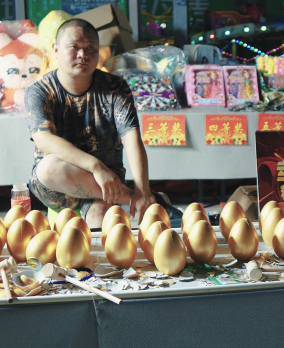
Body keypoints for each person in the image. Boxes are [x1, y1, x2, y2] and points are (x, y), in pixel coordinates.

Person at [24, 18, 178, 228]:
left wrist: (144, 190)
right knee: (48, 168)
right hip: (59, 185)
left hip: (108, 181)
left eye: (90, 48)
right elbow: (44, 140)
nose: (83, 55)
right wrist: (95, 167)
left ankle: (139, 198)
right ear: (56, 49)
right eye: (74, 47)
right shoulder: (39, 91)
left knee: (101, 221)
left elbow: (132, 138)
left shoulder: (115, 87)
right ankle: (142, 200)